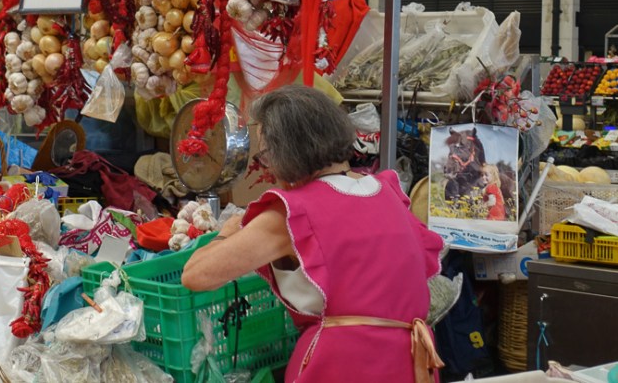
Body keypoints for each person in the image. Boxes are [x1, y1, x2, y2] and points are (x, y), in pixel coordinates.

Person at [182, 85, 445, 383]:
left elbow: (196, 275)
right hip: (410, 365)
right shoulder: (389, 192)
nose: (267, 165)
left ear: (285, 151)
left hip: (342, 367)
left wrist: (224, 235)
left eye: (265, 154)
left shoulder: (293, 213)